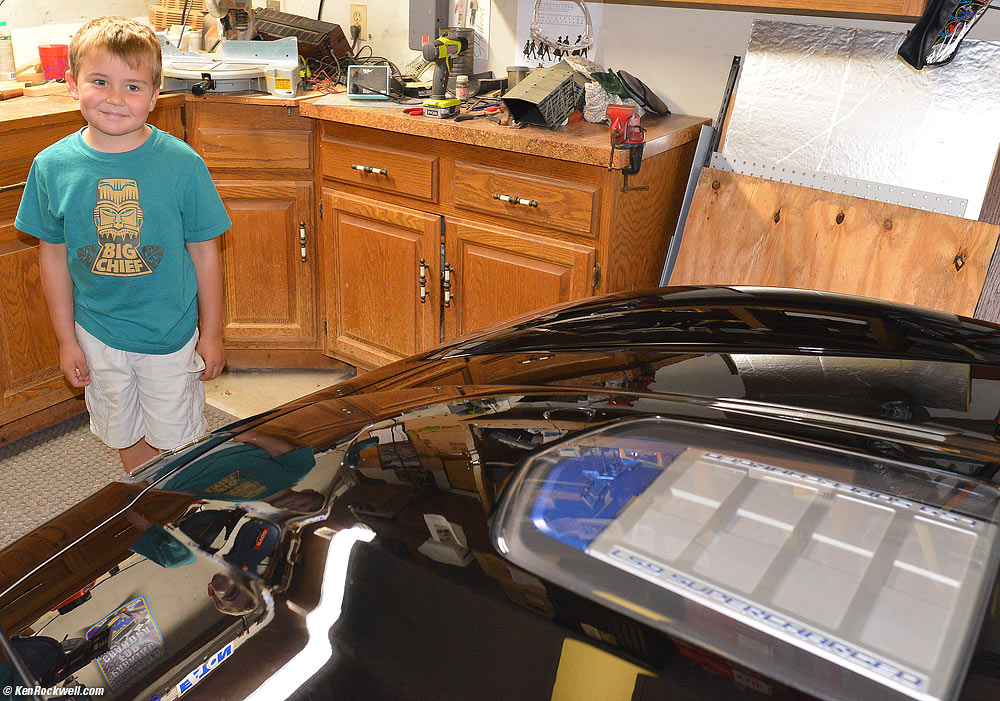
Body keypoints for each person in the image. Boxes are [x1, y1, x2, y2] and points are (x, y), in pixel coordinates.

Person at [14, 17, 232, 473]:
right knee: (122, 432)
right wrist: (66, 341)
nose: (115, 98)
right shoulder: (51, 166)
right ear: (72, 84)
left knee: (179, 443)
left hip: (169, 334)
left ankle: (177, 503)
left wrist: (211, 333)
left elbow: (205, 253)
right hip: (96, 334)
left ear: (154, 97)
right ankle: (143, 499)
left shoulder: (182, 164)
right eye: (100, 81)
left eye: (132, 87)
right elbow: (52, 258)